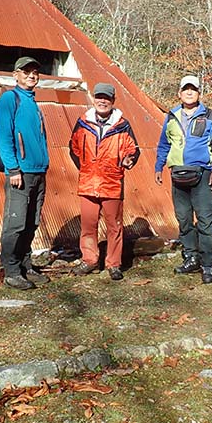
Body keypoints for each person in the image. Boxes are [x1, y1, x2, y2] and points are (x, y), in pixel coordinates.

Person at [154, 75, 212, 284]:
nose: (189, 92)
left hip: (202, 174)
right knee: (184, 220)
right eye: (186, 89)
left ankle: (207, 265)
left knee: (205, 221)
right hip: (178, 174)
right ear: (180, 93)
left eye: (193, 89)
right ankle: (191, 258)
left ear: (198, 93)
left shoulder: (210, 116)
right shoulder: (172, 116)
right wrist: (159, 166)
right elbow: (164, 144)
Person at [69, 82, 140, 281]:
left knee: (114, 226)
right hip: (88, 184)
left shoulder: (123, 125)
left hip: (112, 184)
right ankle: (90, 261)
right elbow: (72, 147)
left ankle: (114, 264)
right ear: (93, 99)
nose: (102, 101)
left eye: (107, 98)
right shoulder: (83, 122)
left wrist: (128, 161)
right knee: (88, 225)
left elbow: (133, 150)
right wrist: (85, 169)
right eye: (99, 97)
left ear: (113, 101)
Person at [0, 56, 50, 290]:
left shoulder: (33, 102)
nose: (31, 75)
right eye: (26, 71)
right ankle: (11, 270)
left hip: (38, 172)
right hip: (21, 173)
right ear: (15, 75)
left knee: (31, 222)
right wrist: (13, 169)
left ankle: (26, 265)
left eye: (35, 71)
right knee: (15, 223)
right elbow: (4, 137)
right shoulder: (10, 98)